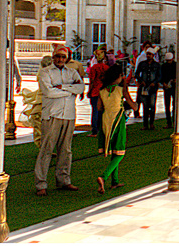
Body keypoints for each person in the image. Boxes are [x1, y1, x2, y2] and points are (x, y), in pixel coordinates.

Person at [34, 46, 84, 196]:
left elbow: (81, 87)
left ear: (67, 58)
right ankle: (41, 183)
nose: (61, 59)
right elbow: (48, 91)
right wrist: (70, 91)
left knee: (66, 150)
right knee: (46, 150)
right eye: (58, 57)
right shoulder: (45, 71)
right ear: (53, 57)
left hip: (68, 115)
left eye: (63, 57)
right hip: (52, 115)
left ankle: (64, 180)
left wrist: (62, 88)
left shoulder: (72, 72)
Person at [96, 63, 139, 193]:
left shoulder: (102, 91)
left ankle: (115, 181)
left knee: (114, 151)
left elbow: (99, 108)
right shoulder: (121, 90)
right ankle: (104, 177)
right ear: (119, 76)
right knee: (120, 152)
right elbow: (134, 107)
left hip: (105, 121)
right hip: (118, 121)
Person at [134, 47, 161, 130]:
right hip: (144, 88)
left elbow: (160, 76)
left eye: (150, 54)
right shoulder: (142, 64)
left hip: (152, 88)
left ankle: (152, 123)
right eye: (147, 54)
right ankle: (145, 124)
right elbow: (136, 74)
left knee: (152, 106)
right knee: (145, 106)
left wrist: (155, 82)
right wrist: (141, 81)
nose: (148, 56)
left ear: (153, 55)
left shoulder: (157, 65)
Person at [87, 45, 110, 137]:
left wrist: (89, 91)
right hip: (104, 91)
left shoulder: (94, 68)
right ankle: (102, 129)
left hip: (95, 92)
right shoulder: (106, 68)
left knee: (95, 111)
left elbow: (92, 81)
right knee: (102, 111)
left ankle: (95, 130)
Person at [159, 52, 177, 128]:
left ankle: (175, 122)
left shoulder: (176, 65)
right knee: (167, 105)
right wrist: (163, 83)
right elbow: (161, 76)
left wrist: (176, 80)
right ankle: (169, 122)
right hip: (167, 87)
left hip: (174, 87)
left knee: (175, 105)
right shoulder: (163, 66)